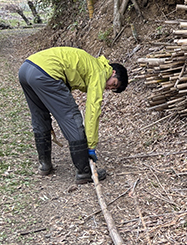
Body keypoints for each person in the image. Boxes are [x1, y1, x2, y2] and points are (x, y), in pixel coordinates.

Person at [18, 46, 128, 184]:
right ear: (113, 72)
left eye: (113, 89)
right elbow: (93, 110)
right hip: (45, 73)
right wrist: (91, 146)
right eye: (114, 84)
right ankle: (84, 172)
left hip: (26, 69)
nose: (109, 88)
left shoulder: (90, 63)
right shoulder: (100, 71)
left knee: (39, 116)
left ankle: (44, 165)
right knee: (72, 118)